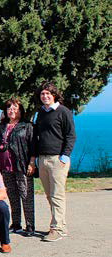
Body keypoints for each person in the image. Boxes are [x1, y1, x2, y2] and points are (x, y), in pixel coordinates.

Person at [32, 81, 76, 242]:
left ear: (54, 95)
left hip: (58, 159)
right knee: (50, 196)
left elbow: (71, 135)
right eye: (42, 94)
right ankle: (61, 226)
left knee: (57, 195)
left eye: (48, 94)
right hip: (43, 159)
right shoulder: (41, 113)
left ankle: (56, 228)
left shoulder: (63, 112)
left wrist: (65, 156)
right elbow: (38, 137)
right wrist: (35, 158)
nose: (45, 96)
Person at [0, 98, 36, 236]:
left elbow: (33, 146)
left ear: (20, 110)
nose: (11, 110)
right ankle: (16, 223)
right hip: (5, 167)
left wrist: (31, 162)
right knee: (12, 196)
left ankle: (30, 225)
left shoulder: (27, 126)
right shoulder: (1, 127)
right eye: (9, 108)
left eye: (15, 108)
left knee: (26, 195)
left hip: (22, 165)